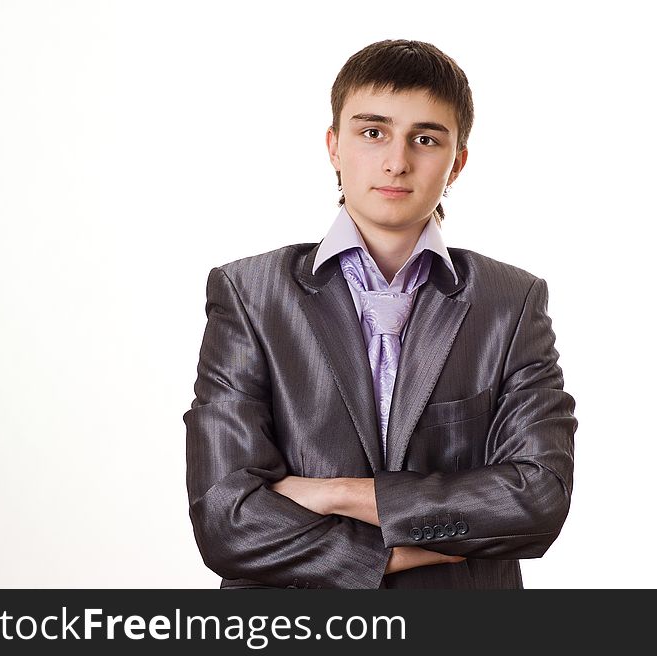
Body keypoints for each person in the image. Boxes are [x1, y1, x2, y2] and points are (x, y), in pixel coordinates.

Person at [184, 39, 577, 589]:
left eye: (425, 139)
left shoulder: (510, 302)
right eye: (373, 132)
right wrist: (389, 554)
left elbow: (538, 500)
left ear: (457, 161)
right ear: (334, 146)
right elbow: (226, 521)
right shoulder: (250, 294)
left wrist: (338, 493)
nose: (397, 161)